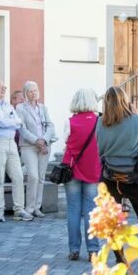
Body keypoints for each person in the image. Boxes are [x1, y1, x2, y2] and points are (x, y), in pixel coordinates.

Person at [97, 86, 138, 245]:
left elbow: (100, 150)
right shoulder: (136, 119)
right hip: (134, 176)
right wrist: (136, 152)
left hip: (111, 176)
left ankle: (120, 257)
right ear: (125, 100)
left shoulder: (101, 122)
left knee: (113, 222)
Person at [0, 79, 32, 222]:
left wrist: (7, 123)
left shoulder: (8, 105)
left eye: (4, 87)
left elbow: (18, 122)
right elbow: (1, 122)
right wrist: (8, 122)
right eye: (0, 87)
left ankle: (19, 209)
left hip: (11, 143)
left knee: (18, 176)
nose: (3, 89)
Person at [62, 88, 101, 261]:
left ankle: (74, 249)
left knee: (73, 210)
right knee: (91, 210)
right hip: (92, 168)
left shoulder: (70, 121)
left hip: (71, 169)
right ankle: (93, 249)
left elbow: (66, 142)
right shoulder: (99, 121)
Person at [16, 81, 55, 218]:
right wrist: (36, 140)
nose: (33, 93)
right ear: (26, 93)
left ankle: (37, 207)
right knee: (33, 176)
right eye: (30, 91)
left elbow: (50, 126)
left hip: (44, 145)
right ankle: (29, 208)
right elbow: (22, 128)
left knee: (41, 177)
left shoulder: (43, 108)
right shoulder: (20, 108)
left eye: (35, 90)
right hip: (29, 146)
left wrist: (44, 140)